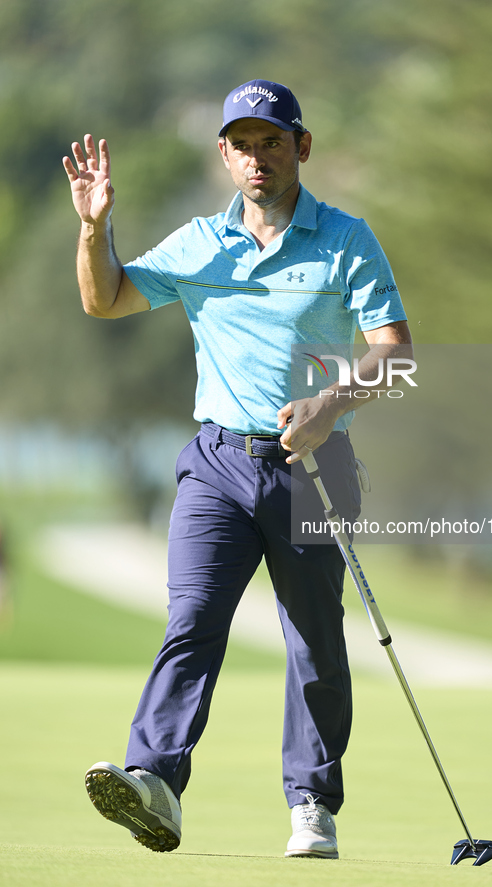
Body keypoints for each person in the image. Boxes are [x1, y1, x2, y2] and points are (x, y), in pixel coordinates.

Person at [63, 79, 411, 859]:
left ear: (302, 147)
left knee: (313, 638)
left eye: (273, 141)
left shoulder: (346, 238)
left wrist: (331, 402)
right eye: (243, 144)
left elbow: (395, 350)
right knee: (192, 621)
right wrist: (94, 230)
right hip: (217, 463)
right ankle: (153, 783)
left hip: (314, 466)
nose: (258, 157)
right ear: (223, 155)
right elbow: (107, 300)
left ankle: (312, 802)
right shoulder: (199, 243)